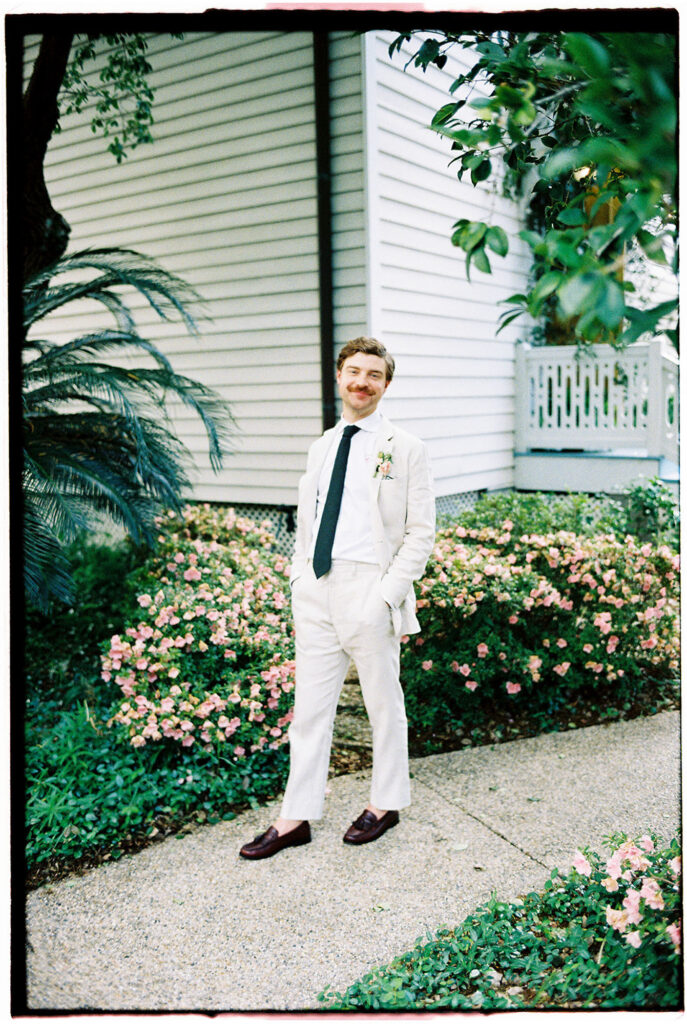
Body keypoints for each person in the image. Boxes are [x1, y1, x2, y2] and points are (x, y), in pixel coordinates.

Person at [240, 337, 435, 859]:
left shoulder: (405, 447)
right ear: (339, 376)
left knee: (382, 705)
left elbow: (421, 533)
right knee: (309, 711)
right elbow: (309, 520)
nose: (361, 382)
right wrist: (300, 577)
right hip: (317, 589)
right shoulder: (322, 445)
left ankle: (386, 803)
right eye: (353, 371)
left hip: (370, 586)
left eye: (373, 374)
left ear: (385, 384)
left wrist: (386, 594)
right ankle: (295, 818)